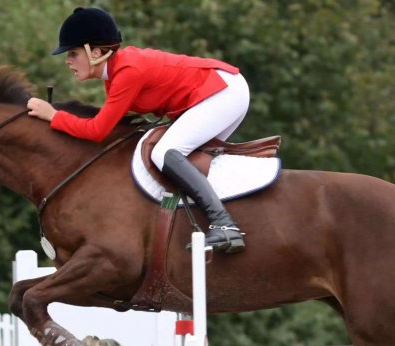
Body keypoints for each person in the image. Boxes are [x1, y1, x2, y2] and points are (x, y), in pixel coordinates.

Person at [27, 7, 249, 253]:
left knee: (164, 153)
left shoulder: (126, 73)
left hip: (222, 91)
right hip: (221, 91)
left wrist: (54, 116)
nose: (68, 61)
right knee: (183, 162)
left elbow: (97, 130)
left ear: (97, 53)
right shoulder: (116, 76)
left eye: (73, 53)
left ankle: (225, 225)